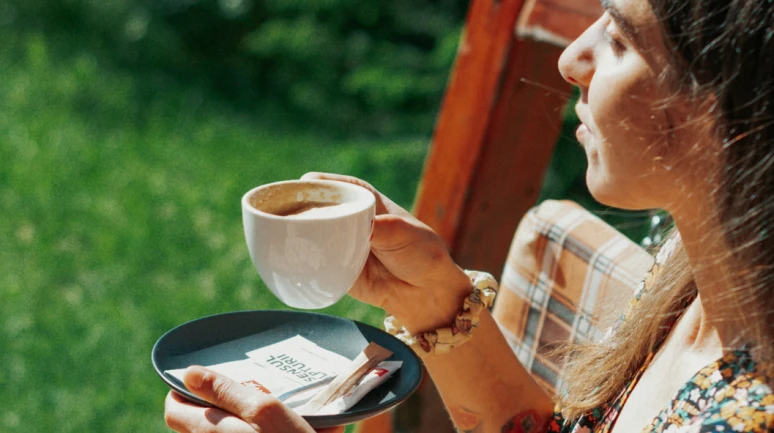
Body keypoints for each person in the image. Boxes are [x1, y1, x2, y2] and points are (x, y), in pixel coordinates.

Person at [163, 0, 774, 431]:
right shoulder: (696, 262)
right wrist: (432, 299)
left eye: (619, 40)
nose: (571, 58)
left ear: (739, 112)